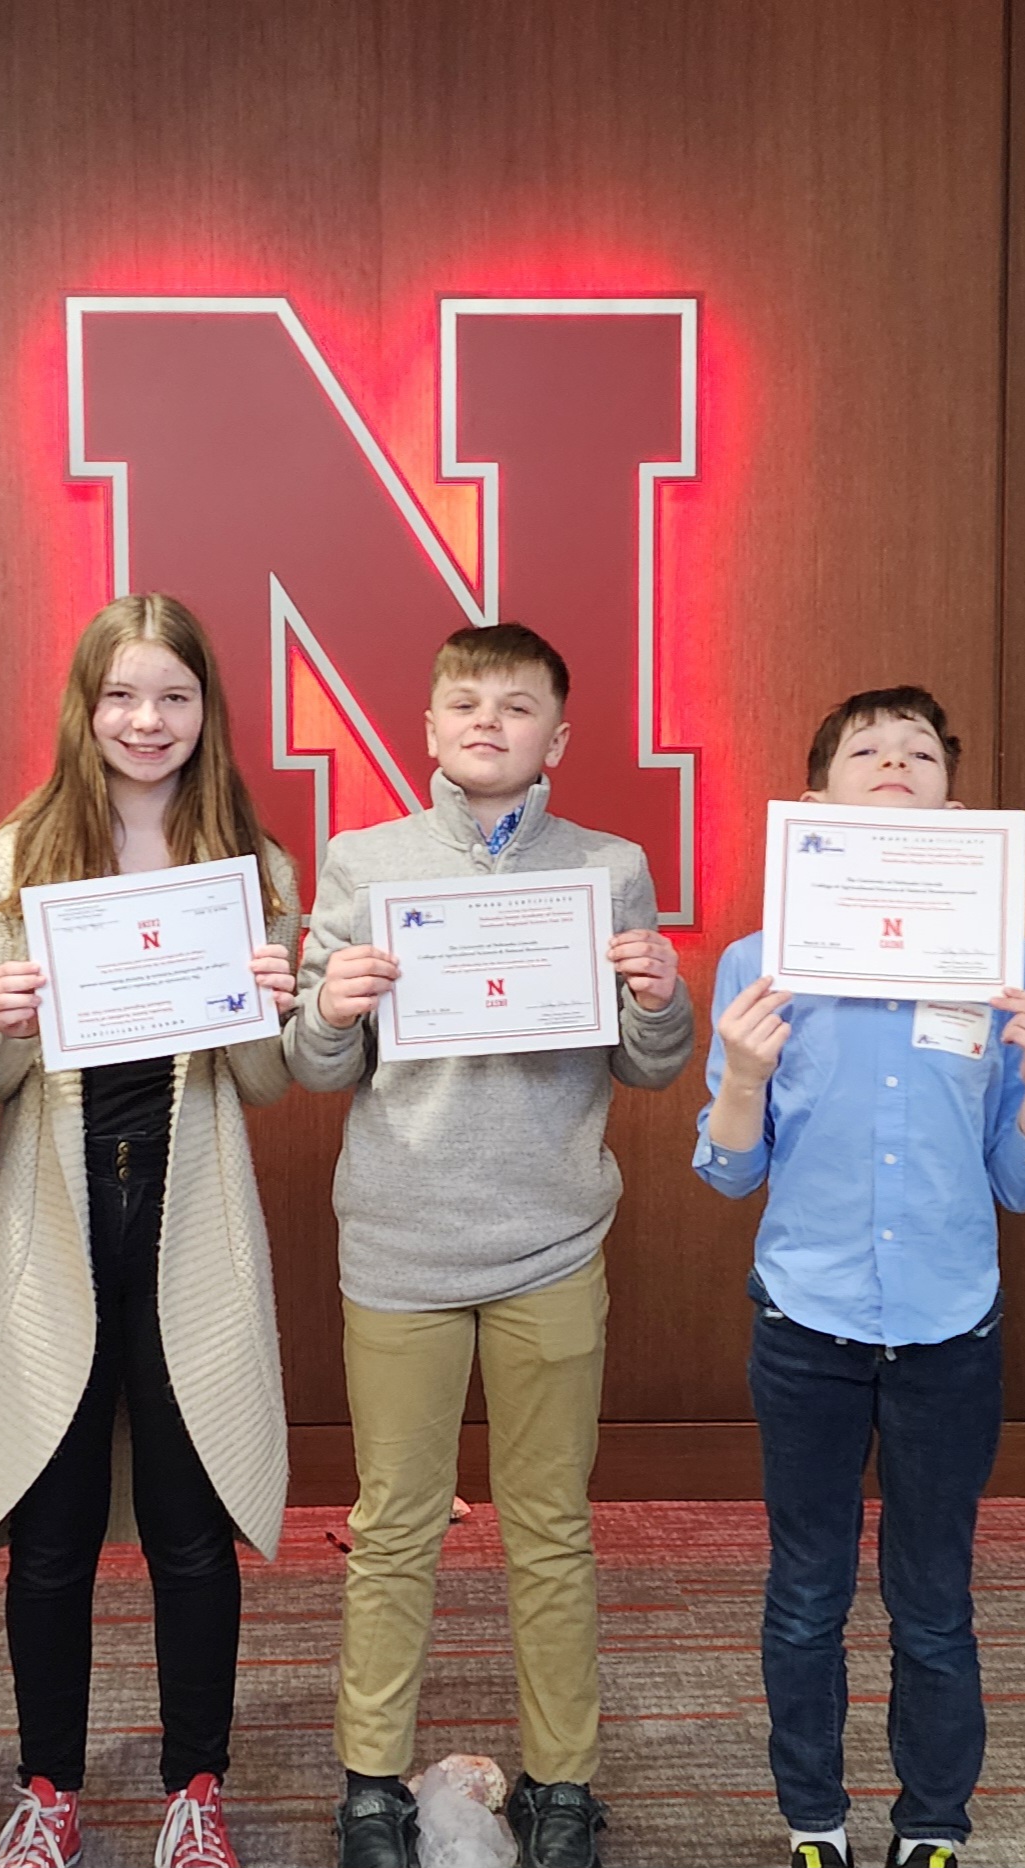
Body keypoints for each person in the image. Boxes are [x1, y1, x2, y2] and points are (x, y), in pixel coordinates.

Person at [288, 621, 696, 1868]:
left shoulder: (609, 865)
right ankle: (370, 1780)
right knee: (396, 1520)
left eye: (516, 708)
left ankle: (562, 1777)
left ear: (556, 738)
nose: (487, 722)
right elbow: (317, 1065)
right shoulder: (364, 861)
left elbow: (647, 1063)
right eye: (464, 701)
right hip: (403, 1241)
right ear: (426, 726)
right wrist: (329, 1006)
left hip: (550, 1240)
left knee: (550, 1523)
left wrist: (662, 997)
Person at [695, 687, 1025, 1868]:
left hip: (949, 1327)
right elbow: (727, 1172)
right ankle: (814, 1816)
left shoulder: (1007, 961)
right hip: (805, 1321)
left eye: (919, 753)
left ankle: (932, 1822)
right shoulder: (760, 965)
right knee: (806, 1590)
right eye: (868, 751)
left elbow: (1022, 1182)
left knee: (935, 1599)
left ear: (955, 805)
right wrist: (745, 1076)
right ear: (814, 803)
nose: (896, 764)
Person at [0, 593, 304, 1868]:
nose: (145, 721)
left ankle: (192, 1788)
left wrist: (268, 1002)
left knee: (187, 1524)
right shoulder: (11, 862)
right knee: (49, 1535)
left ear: (206, 709)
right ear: (82, 708)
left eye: (172, 696)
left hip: (188, 1223)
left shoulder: (253, 867)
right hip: (55, 1229)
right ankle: (49, 1789)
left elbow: (265, 1086)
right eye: (120, 695)